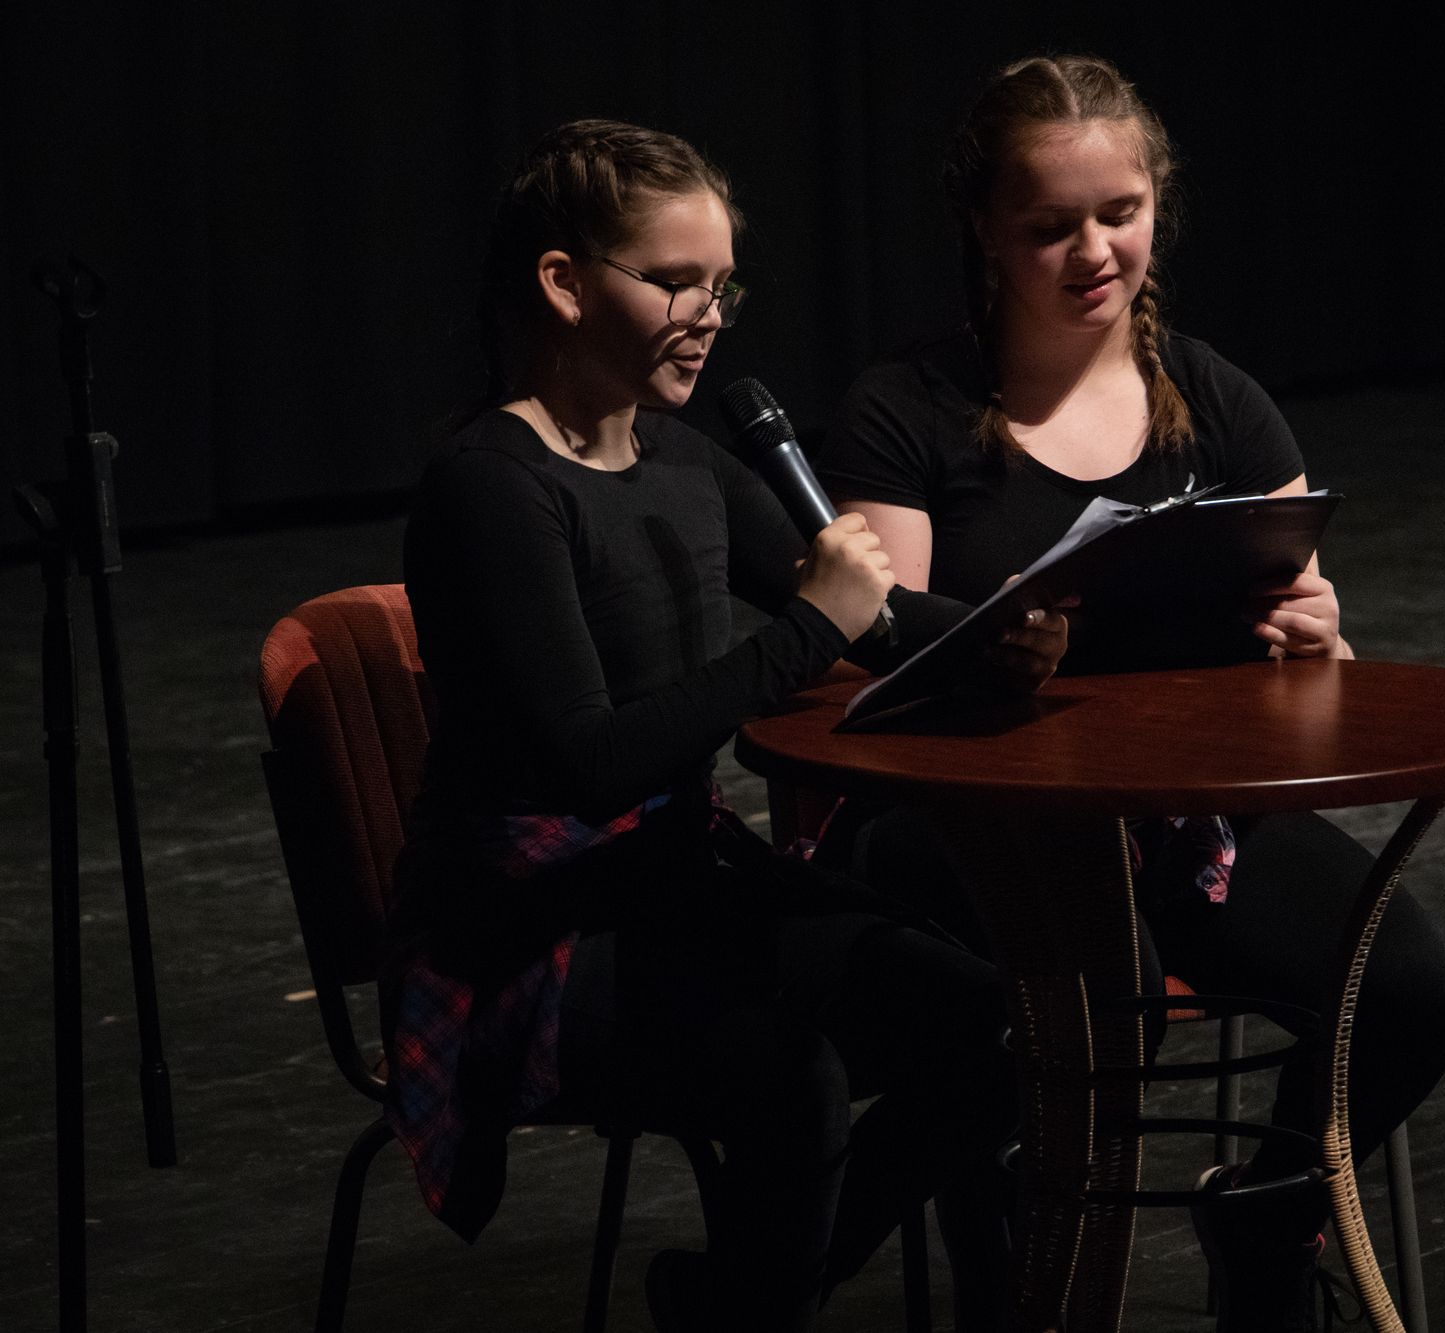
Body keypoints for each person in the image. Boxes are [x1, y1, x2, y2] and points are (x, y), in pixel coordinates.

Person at [815, 56, 1445, 1331]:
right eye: (1049, 226)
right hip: (972, 822)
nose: (1092, 252)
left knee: (1405, 994)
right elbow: (867, 647)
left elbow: (1316, 675)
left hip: (1185, 823)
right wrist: (981, 650)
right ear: (983, 229)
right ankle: (973, 1237)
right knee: (1098, 1002)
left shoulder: (1215, 400)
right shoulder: (909, 410)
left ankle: (1265, 1216)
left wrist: (1319, 640)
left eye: (1119, 213)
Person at [382, 119, 1014, 1333]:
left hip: (669, 886)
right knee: (791, 1077)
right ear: (563, 283)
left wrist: (1016, 625)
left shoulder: (681, 457)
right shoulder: (492, 486)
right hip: (533, 930)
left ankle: (737, 1298)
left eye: (722, 286)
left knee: (983, 1018)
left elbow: (878, 618)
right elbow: (591, 762)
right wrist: (809, 629)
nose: (709, 315)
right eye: (676, 282)